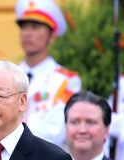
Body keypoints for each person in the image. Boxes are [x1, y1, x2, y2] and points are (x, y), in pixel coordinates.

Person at [16, 0, 81, 147]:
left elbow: (55, 130)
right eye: (24, 27)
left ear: (51, 36)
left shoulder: (66, 80)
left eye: (35, 27)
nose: (27, 33)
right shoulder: (7, 75)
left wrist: (8, 128)